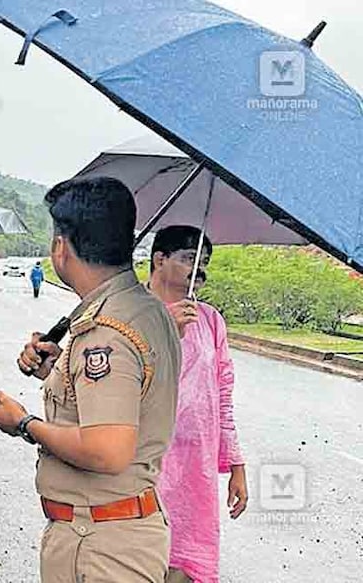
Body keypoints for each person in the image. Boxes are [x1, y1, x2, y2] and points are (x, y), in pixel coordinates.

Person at [0, 176, 182, 583]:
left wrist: (23, 423)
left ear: (61, 247)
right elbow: (126, 398)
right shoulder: (145, 310)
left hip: (100, 544)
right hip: (118, 532)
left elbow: (107, 450)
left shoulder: (107, 331)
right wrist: (57, 372)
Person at [147, 225, 246, 583]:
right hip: (147, 459)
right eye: (190, 258)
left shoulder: (210, 319)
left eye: (203, 261)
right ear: (159, 259)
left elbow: (223, 394)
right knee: (143, 557)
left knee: (187, 563)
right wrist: (166, 331)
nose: (199, 269)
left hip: (195, 467)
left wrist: (236, 463)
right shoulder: (137, 312)